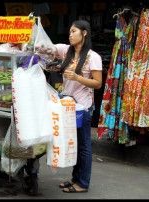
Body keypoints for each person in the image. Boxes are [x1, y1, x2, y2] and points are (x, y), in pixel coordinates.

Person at [54, 20, 102, 192]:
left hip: (83, 107)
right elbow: (47, 47)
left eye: (73, 31)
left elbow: (97, 83)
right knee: (74, 143)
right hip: (68, 106)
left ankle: (82, 183)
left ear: (84, 33)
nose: (70, 34)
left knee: (83, 145)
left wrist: (77, 77)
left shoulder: (93, 57)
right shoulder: (66, 51)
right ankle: (76, 178)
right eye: (69, 31)